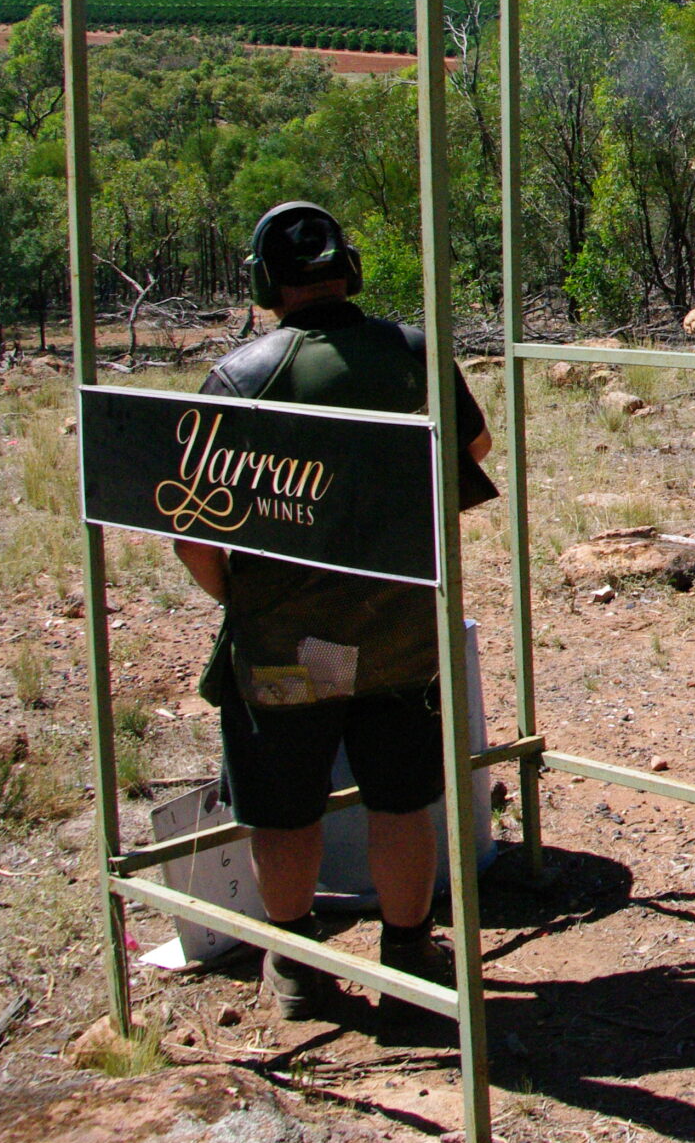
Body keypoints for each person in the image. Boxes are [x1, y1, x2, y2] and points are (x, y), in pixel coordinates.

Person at [171, 202, 496, 1021]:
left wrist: (244, 602)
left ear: (263, 283)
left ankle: (295, 966)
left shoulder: (241, 378)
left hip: (286, 646)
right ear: (348, 268)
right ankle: (410, 947)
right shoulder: (413, 355)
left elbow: (192, 535)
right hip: (399, 636)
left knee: (284, 810)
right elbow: (476, 451)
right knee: (399, 798)